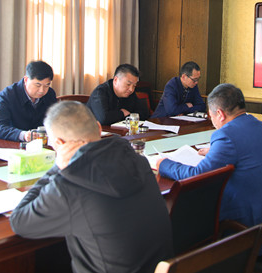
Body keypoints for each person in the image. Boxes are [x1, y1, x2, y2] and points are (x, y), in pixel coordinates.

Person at [10, 101, 173, 273]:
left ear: (58, 143)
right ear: (98, 127)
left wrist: (58, 167)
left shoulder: (70, 184)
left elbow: (19, 221)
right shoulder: (138, 160)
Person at [157, 83, 262, 253]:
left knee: (189, 210)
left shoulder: (226, 135)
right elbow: (247, 149)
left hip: (255, 233)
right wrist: (216, 151)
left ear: (220, 114)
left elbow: (198, 174)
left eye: (211, 116)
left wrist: (164, 164)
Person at [0, 61, 58, 141]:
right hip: (14, 144)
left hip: (42, 144)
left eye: (47, 85)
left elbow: (55, 122)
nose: (42, 90)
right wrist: (23, 135)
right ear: (26, 79)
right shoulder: (8, 95)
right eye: (38, 85)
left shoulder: (50, 94)